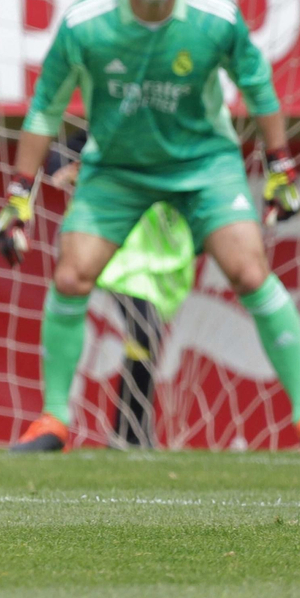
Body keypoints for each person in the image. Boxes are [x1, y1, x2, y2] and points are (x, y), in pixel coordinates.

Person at [0, 0, 300, 458]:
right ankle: (54, 420)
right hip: (117, 170)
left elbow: (260, 93)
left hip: (204, 165)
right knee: (71, 275)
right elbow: (44, 111)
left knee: (250, 270)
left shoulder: (216, 19)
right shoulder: (86, 25)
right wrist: (18, 197)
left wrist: (281, 169)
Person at [45, 134, 195, 448]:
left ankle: (130, 431)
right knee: (144, 329)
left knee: (147, 334)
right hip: (116, 244)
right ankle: (124, 430)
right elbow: (57, 160)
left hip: (160, 247)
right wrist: (76, 170)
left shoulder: (178, 126)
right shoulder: (110, 120)